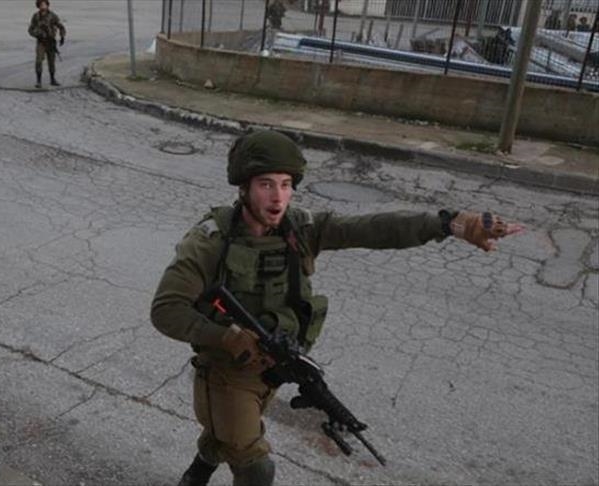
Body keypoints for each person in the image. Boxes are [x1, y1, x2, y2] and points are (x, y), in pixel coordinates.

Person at [150, 130, 523, 486]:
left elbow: (372, 229)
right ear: (244, 188)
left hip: (273, 365)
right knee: (255, 464)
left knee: (229, 433)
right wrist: (229, 337)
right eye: (266, 185)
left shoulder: (299, 229)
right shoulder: (211, 240)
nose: (278, 197)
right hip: (227, 373)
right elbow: (166, 309)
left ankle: (197, 472)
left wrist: (451, 225)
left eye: (286, 184)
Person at [28, 0, 66, 88]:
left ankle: (52, 79)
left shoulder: (53, 15)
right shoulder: (36, 16)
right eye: (41, 4)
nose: (43, 6)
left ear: (48, 5)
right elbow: (30, 30)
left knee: (51, 61)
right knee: (38, 61)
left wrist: (62, 37)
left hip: (51, 42)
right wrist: (38, 34)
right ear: (38, 6)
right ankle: (38, 81)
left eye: (44, 4)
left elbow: (61, 27)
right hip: (41, 42)